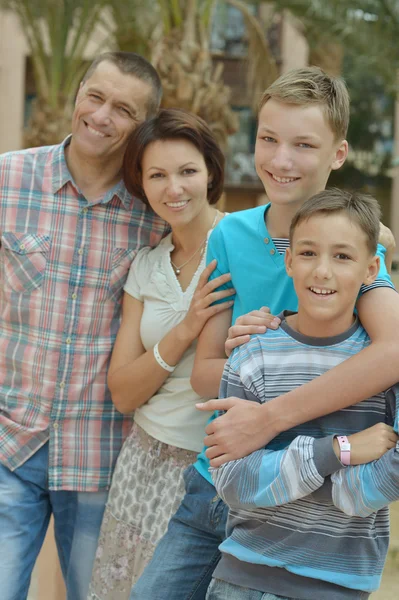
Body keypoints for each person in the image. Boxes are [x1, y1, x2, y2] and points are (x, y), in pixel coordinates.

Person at [130, 67, 398, 600]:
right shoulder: (229, 234)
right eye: (268, 139)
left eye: (304, 144)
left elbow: (393, 352)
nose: (280, 160)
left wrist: (270, 418)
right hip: (216, 479)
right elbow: (207, 379)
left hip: (303, 507)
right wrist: (238, 356)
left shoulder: (358, 248)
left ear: (338, 154)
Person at [0, 51, 169, 600]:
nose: (101, 115)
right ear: (77, 94)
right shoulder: (8, 179)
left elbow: (232, 235)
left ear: (142, 127)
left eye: (123, 109)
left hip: (102, 455)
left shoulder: (156, 213)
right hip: (8, 441)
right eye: (95, 96)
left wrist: (371, 233)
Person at [207, 188, 399, 600]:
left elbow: (388, 476)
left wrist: (318, 482)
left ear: (371, 271)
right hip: (245, 579)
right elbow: (233, 480)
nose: (322, 271)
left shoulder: (383, 369)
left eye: (342, 257)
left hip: (341, 585)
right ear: (289, 261)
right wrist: (339, 452)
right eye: (308, 253)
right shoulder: (253, 353)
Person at [87, 108, 234, 600]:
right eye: (158, 175)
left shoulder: (246, 242)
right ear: (142, 185)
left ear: (211, 171)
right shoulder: (146, 266)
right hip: (143, 463)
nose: (174, 188)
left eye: (188, 171)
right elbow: (123, 392)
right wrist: (187, 328)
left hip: (213, 471)